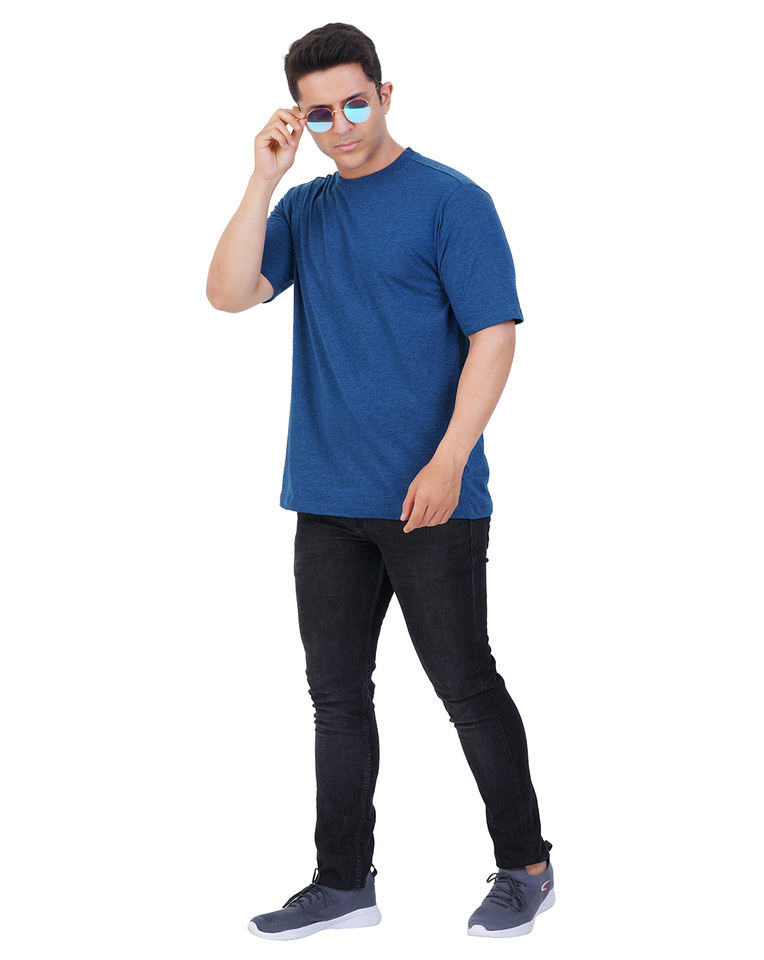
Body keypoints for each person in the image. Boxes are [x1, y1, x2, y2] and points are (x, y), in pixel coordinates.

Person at [206, 21, 554, 940]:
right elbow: (228, 293)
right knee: (335, 698)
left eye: (354, 103)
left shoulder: (451, 201)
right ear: (299, 118)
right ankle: (342, 883)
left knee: (465, 687)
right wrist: (262, 179)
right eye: (318, 114)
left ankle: (526, 865)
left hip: (429, 498)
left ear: (385, 95)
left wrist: (449, 459)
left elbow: (493, 336)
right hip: (327, 500)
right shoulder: (304, 209)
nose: (341, 125)